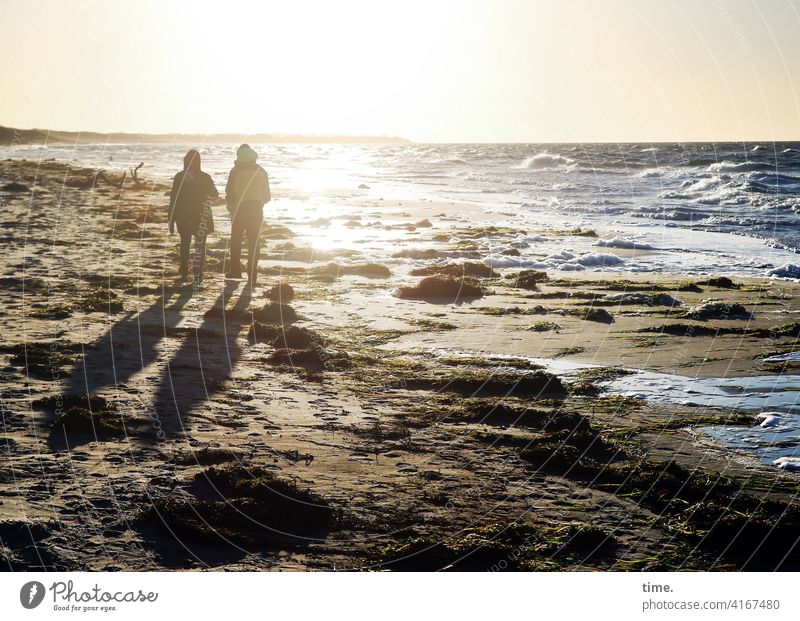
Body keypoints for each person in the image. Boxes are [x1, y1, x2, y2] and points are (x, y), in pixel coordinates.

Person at [168, 149, 218, 283]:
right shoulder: (205, 177)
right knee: (200, 245)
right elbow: (214, 195)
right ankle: (198, 273)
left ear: (185, 161)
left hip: (183, 215)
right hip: (202, 216)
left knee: (185, 243)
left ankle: (184, 269)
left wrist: (171, 219)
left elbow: (173, 199)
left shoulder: (179, 177)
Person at [224, 144, 271, 286]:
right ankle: (252, 273)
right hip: (256, 210)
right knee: (254, 242)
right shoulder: (261, 171)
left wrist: (231, 206)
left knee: (236, 240)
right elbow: (267, 196)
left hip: (239, 210)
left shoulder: (235, 171)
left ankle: (235, 271)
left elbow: (229, 192)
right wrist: (259, 203)